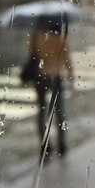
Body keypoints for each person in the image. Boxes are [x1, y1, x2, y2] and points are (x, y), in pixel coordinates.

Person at [29, 22, 74, 157]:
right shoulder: (60, 38)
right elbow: (67, 59)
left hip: (40, 76)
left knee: (41, 110)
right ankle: (62, 145)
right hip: (56, 77)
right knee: (59, 111)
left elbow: (30, 51)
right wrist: (71, 76)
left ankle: (45, 145)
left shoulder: (38, 36)